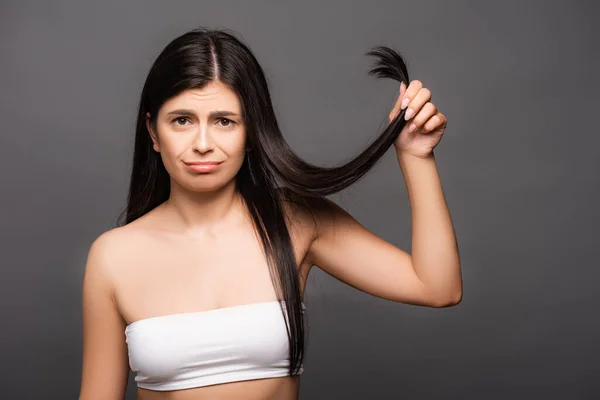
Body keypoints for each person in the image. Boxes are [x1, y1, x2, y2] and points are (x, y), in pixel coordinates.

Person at [78, 26, 462, 400]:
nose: (202, 144)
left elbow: (437, 287)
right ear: (153, 132)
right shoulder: (113, 256)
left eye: (224, 121)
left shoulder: (295, 220)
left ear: (251, 133)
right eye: (182, 120)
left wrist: (415, 156)